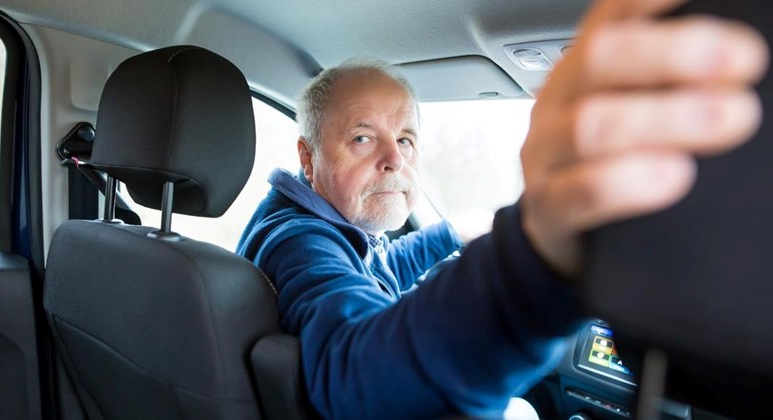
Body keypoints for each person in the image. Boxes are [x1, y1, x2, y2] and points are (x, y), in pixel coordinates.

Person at [237, 0, 769, 417]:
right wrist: (529, 267)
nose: (395, 159)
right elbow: (350, 375)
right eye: (361, 138)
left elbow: (374, 270)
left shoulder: (304, 225)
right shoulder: (298, 241)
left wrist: (450, 233)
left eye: (406, 137)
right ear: (308, 157)